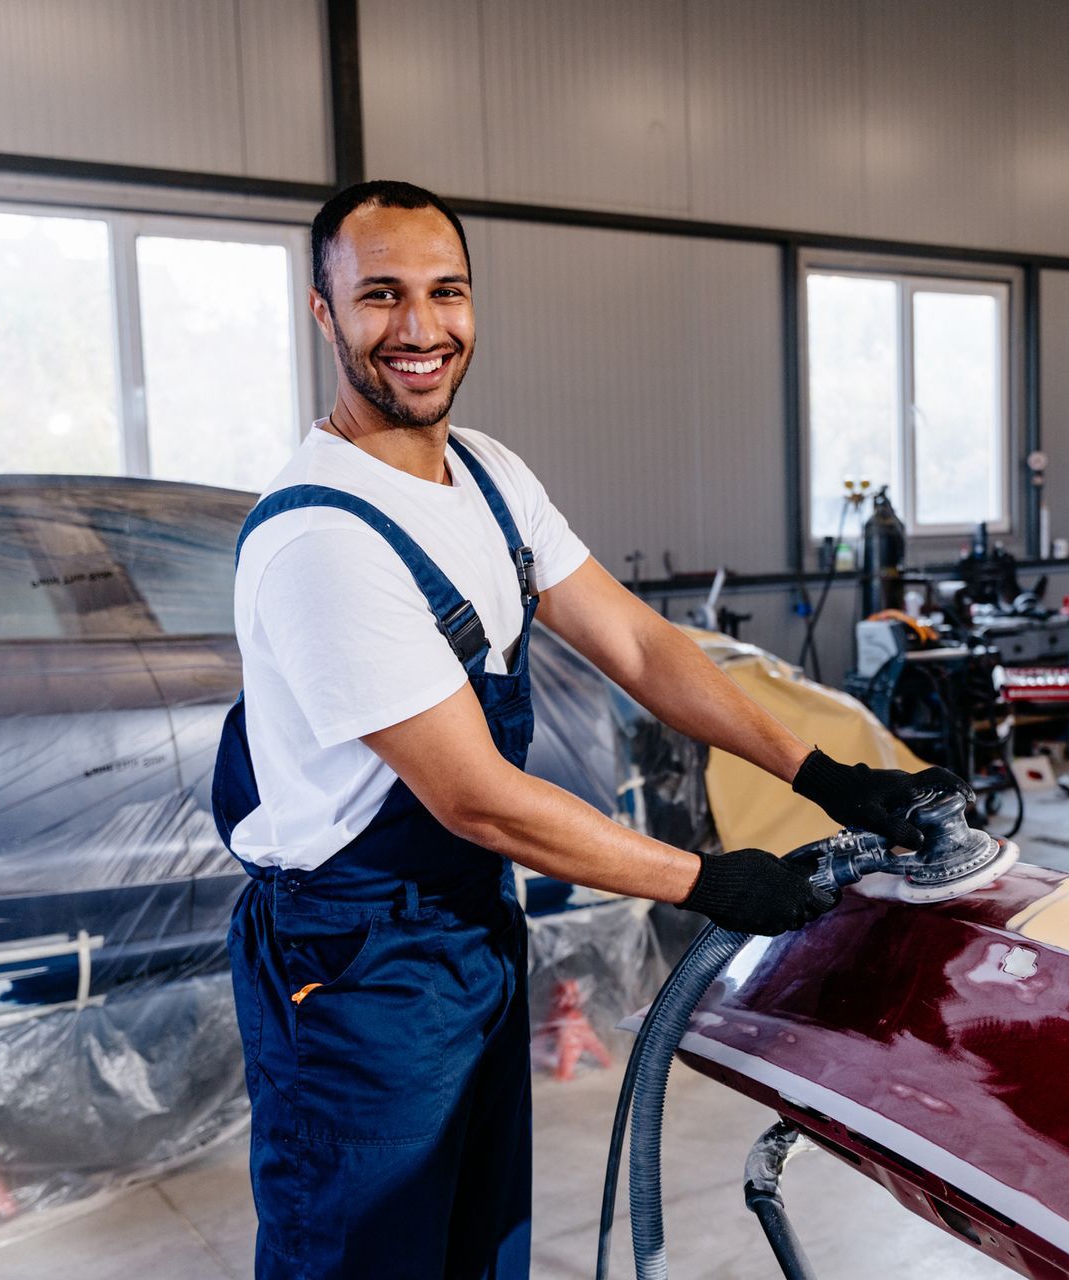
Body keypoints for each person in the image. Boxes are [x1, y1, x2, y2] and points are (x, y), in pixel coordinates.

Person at [209, 180, 965, 1280]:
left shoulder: (490, 476)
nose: (420, 329)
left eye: (445, 292)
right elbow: (473, 794)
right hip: (354, 965)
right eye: (380, 296)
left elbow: (642, 645)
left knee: (479, 1248)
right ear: (324, 314)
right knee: (367, 1256)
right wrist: (705, 879)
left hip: (467, 932)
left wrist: (825, 774)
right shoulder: (322, 538)